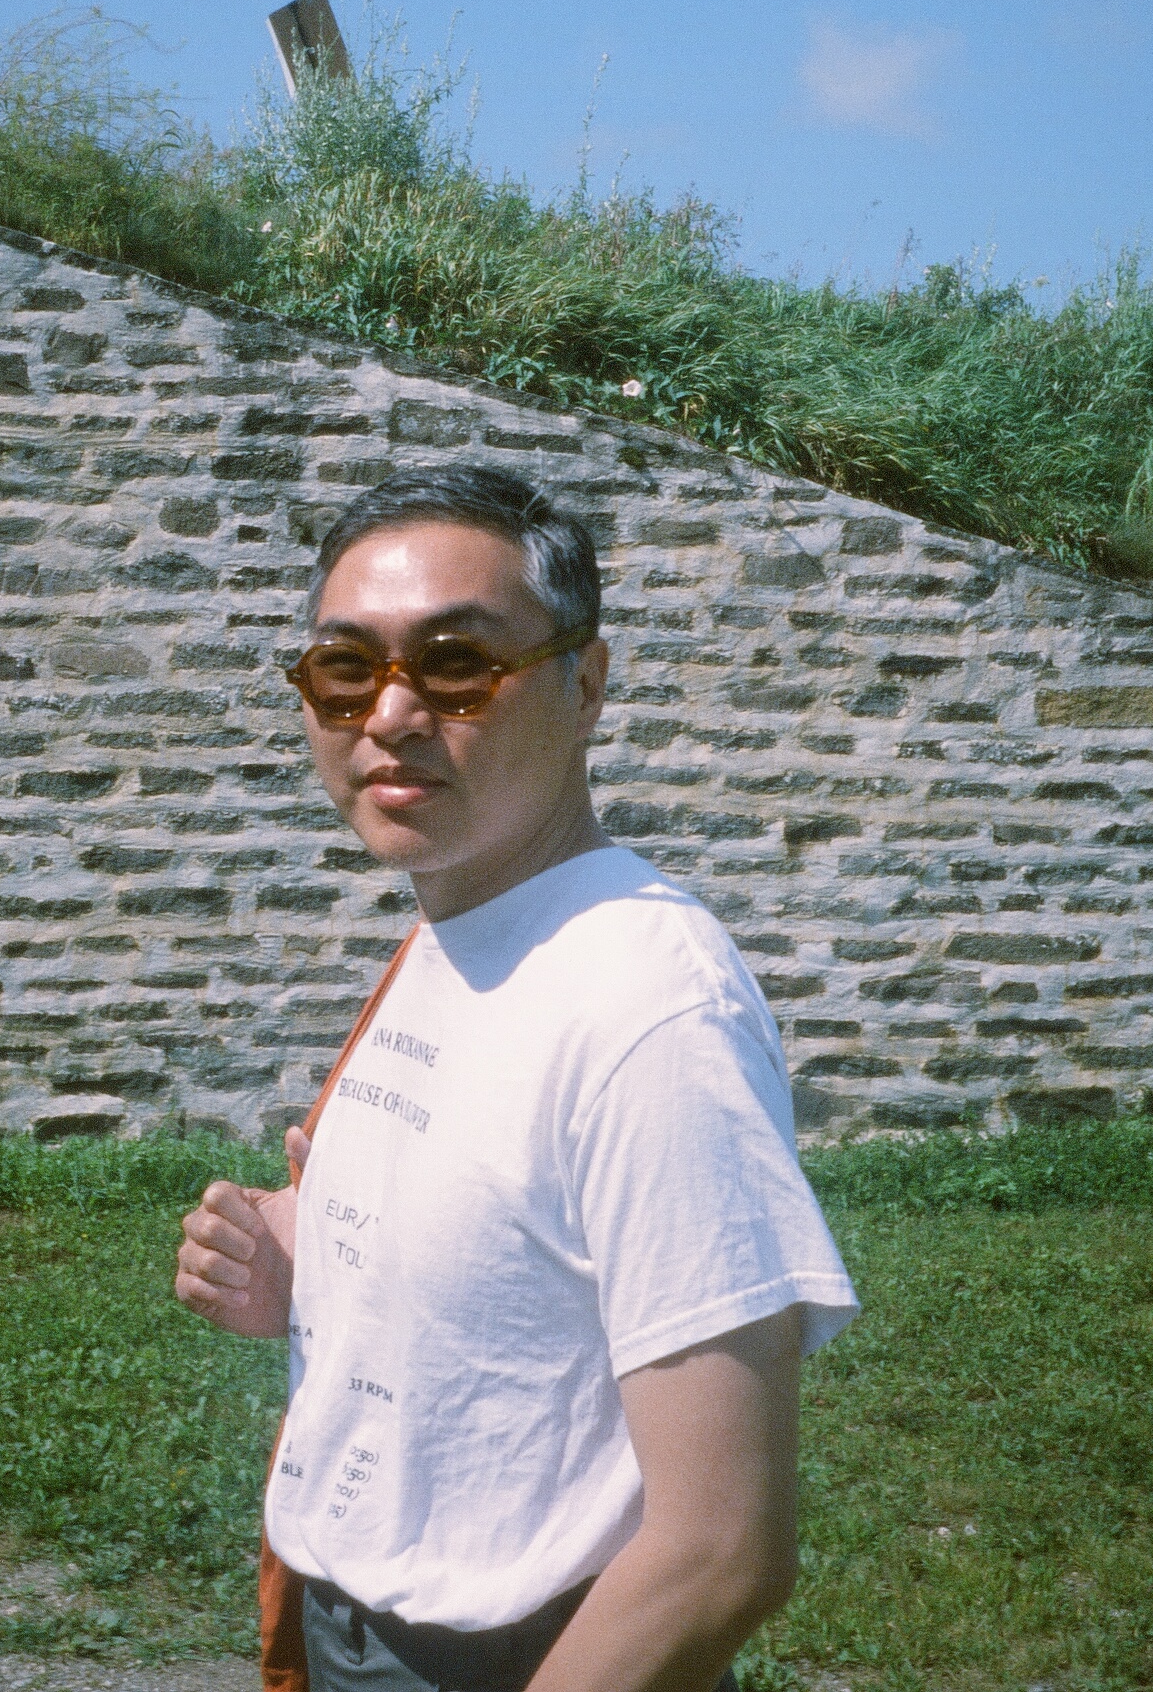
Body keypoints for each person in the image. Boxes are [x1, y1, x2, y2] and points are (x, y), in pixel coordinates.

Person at [171, 466, 857, 1692]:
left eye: (454, 664)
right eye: (345, 668)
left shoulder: (648, 1006)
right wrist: (305, 1260)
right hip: (352, 1628)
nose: (389, 713)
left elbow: (718, 1550)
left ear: (583, 685)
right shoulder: (468, 913)